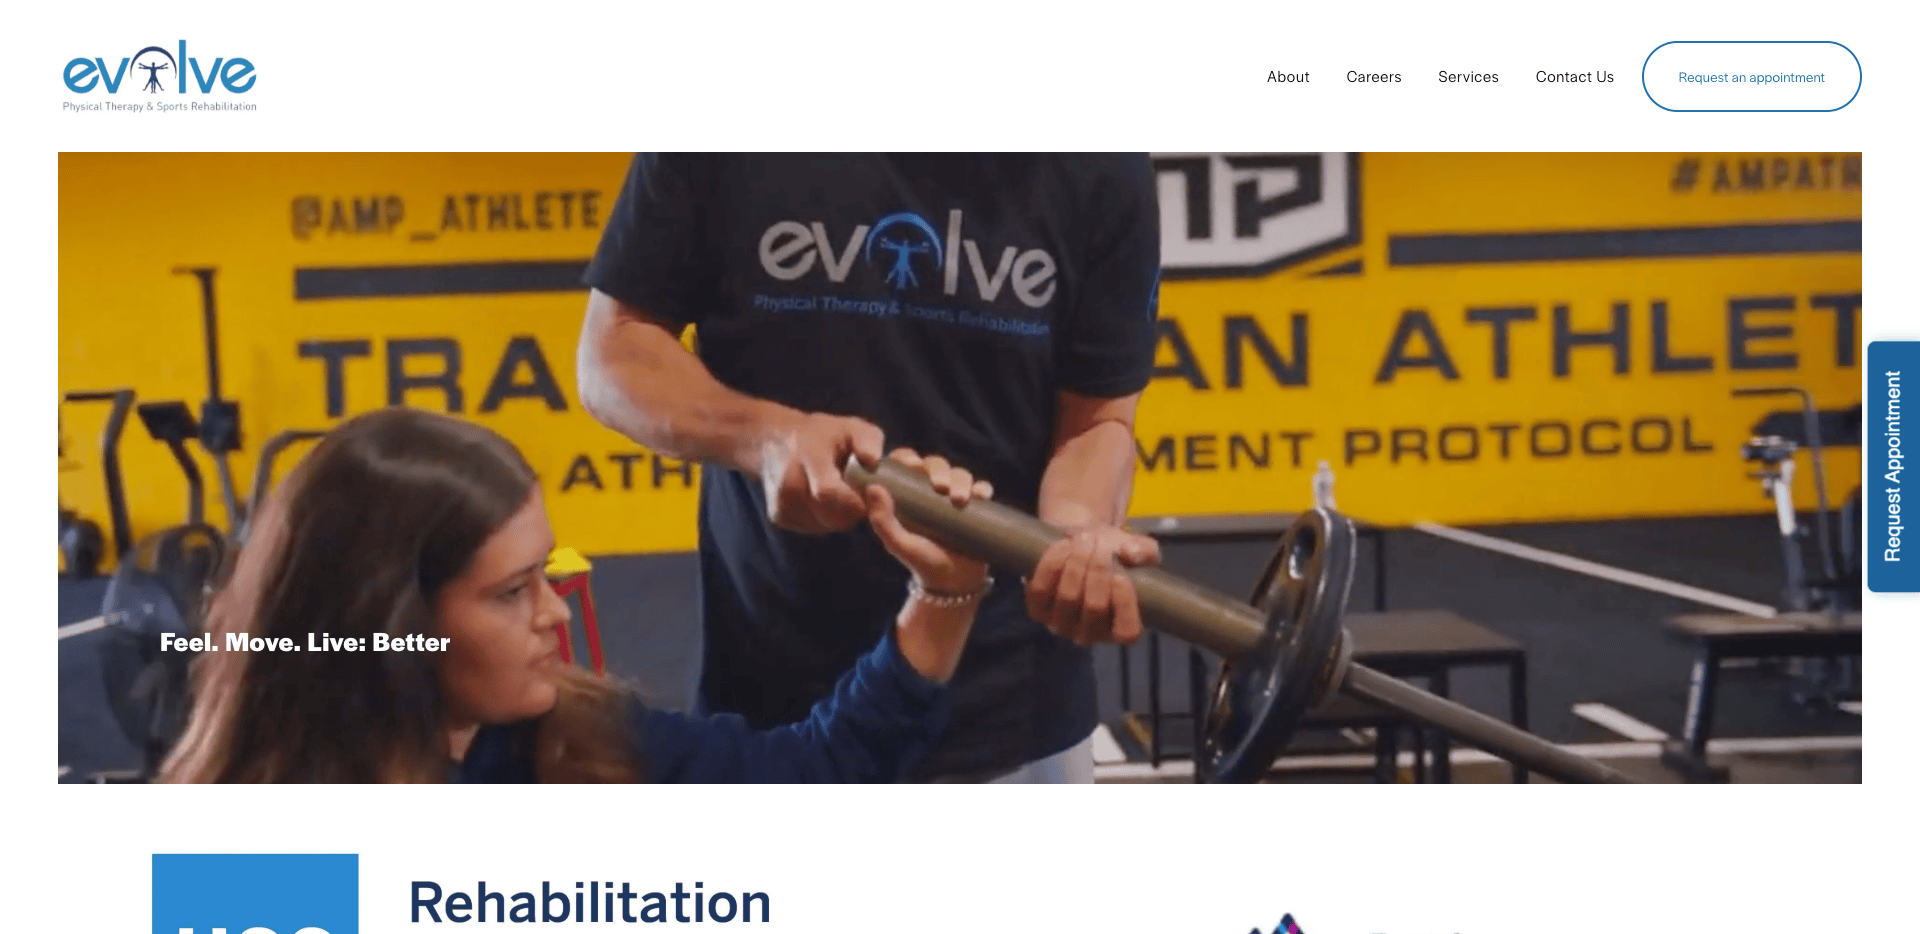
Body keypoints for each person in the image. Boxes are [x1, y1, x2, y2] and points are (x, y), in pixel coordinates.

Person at [577, 154, 1164, 782]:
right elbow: (616, 348)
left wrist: (1073, 534)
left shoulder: (1099, 162)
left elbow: (1097, 420)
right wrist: (770, 437)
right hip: (776, 706)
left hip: (1012, 721)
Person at [159, 407, 997, 783]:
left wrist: (943, 591)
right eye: (511, 593)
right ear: (393, 622)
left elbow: (821, 772)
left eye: (546, 578)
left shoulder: (574, 744)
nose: (554, 614)